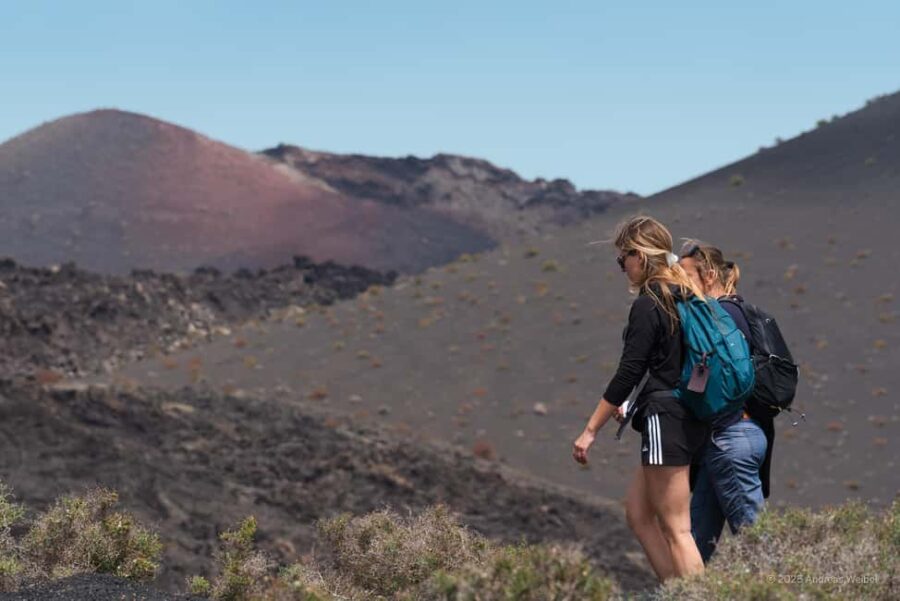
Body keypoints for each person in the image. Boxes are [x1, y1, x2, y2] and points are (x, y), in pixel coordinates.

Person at [572, 216, 709, 580]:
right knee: (637, 512)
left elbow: (628, 373)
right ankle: (676, 591)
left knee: (677, 529)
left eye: (623, 259)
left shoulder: (652, 303)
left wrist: (590, 430)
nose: (622, 267)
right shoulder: (683, 296)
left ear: (642, 256)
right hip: (685, 417)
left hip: (667, 420)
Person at [678, 242, 771, 562]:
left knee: (759, 548)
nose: (681, 283)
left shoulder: (719, 319)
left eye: (687, 275)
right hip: (738, 437)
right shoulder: (739, 312)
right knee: (694, 541)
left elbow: (706, 383)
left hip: (729, 439)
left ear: (710, 276)